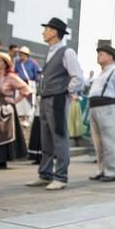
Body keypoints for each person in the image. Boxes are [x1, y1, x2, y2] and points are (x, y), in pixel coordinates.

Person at [27, 17, 84, 190]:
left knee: (59, 136)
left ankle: (61, 176)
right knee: (46, 138)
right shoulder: (50, 51)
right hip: (45, 99)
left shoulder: (67, 52)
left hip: (57, 99)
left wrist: (64, 90)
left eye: (46, 29)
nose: (44, 32)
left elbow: (78, 78)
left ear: (53, 32)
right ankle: (45, 174)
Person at [87, 45, 115, 182]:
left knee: (109, 142)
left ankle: (111, 172)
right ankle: (102, 169)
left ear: (110, 57)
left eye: (101, 53)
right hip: (95, 107)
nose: (98, 56)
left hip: (109, 107)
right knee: (98, 143)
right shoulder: (100, 75)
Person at [14, 46, 40, 127]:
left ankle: (27, 119)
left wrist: (35, 83)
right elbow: (15, 72)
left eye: (23, 54)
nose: (21, 55)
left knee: (29, 102)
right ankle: (20, 118)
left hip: (29, 84)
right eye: (20, 54)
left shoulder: (33, 63)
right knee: (20, 101)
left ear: (27, 55)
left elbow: (36, 75)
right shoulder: (18, 62)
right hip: (20, 84)